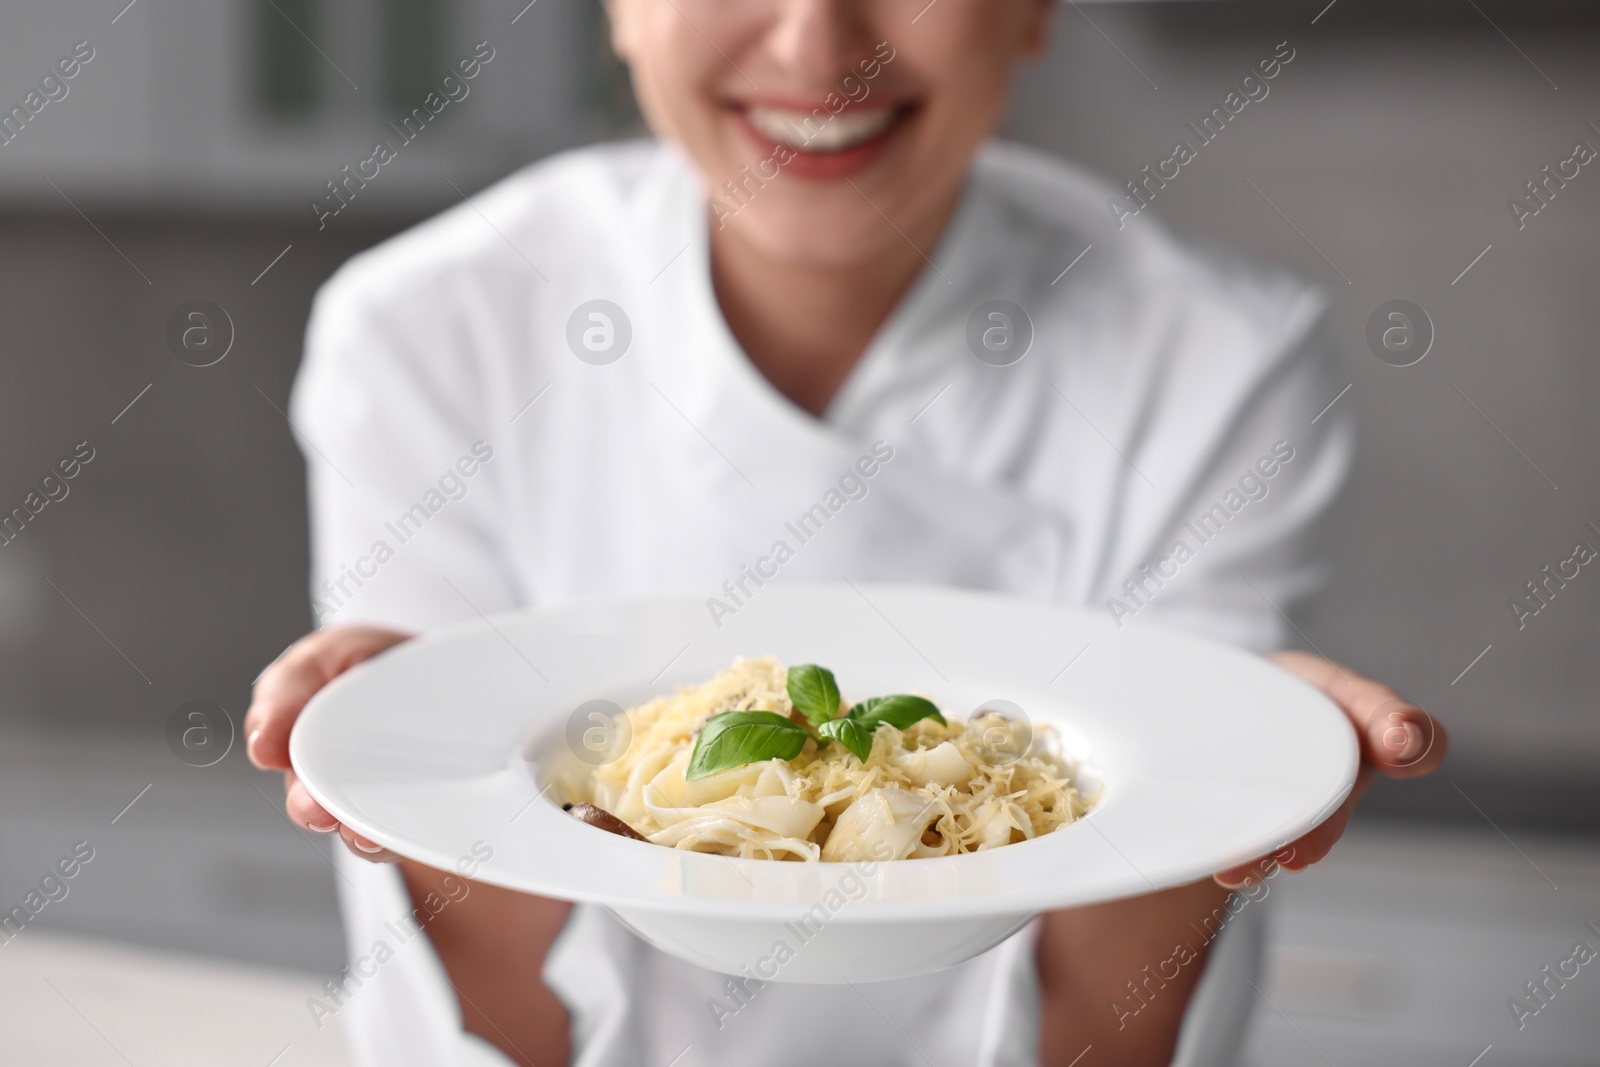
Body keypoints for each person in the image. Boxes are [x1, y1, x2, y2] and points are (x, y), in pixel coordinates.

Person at [246, 2, 1446, 1064]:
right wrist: (397, 740)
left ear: (1034, 12)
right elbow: (492, 959)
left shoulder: (1217, 359)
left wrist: (1235, 745)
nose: (816, 42)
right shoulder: (430, 331)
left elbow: (1114, 1004)